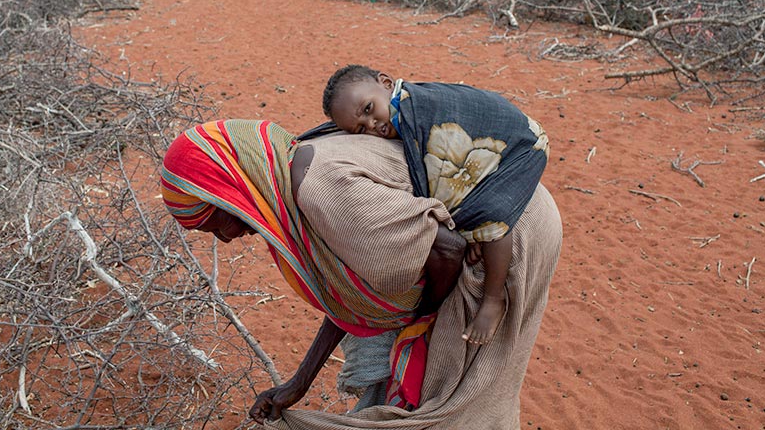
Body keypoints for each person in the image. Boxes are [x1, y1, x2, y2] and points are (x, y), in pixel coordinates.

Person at [161, 119, 561, 429]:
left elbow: (448, 248)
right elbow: (349, 294)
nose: (227, 238)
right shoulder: (288, 180)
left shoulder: (319, 187)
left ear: (230, 188)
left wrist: (422, 318)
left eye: (216, 223)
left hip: (503, 234)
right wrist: (299, 382)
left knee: (461, 398)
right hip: (487, 227)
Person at [323, 64, 550, 346]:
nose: (371, 125)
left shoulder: (415, 107)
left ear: (385, 82)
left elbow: (437, 172)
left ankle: (493, 298)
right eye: (360, 129)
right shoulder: (398, 112)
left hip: (522, 145)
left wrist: (467, 230)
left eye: (369, 109)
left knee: (491, 215)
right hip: (503, 137)